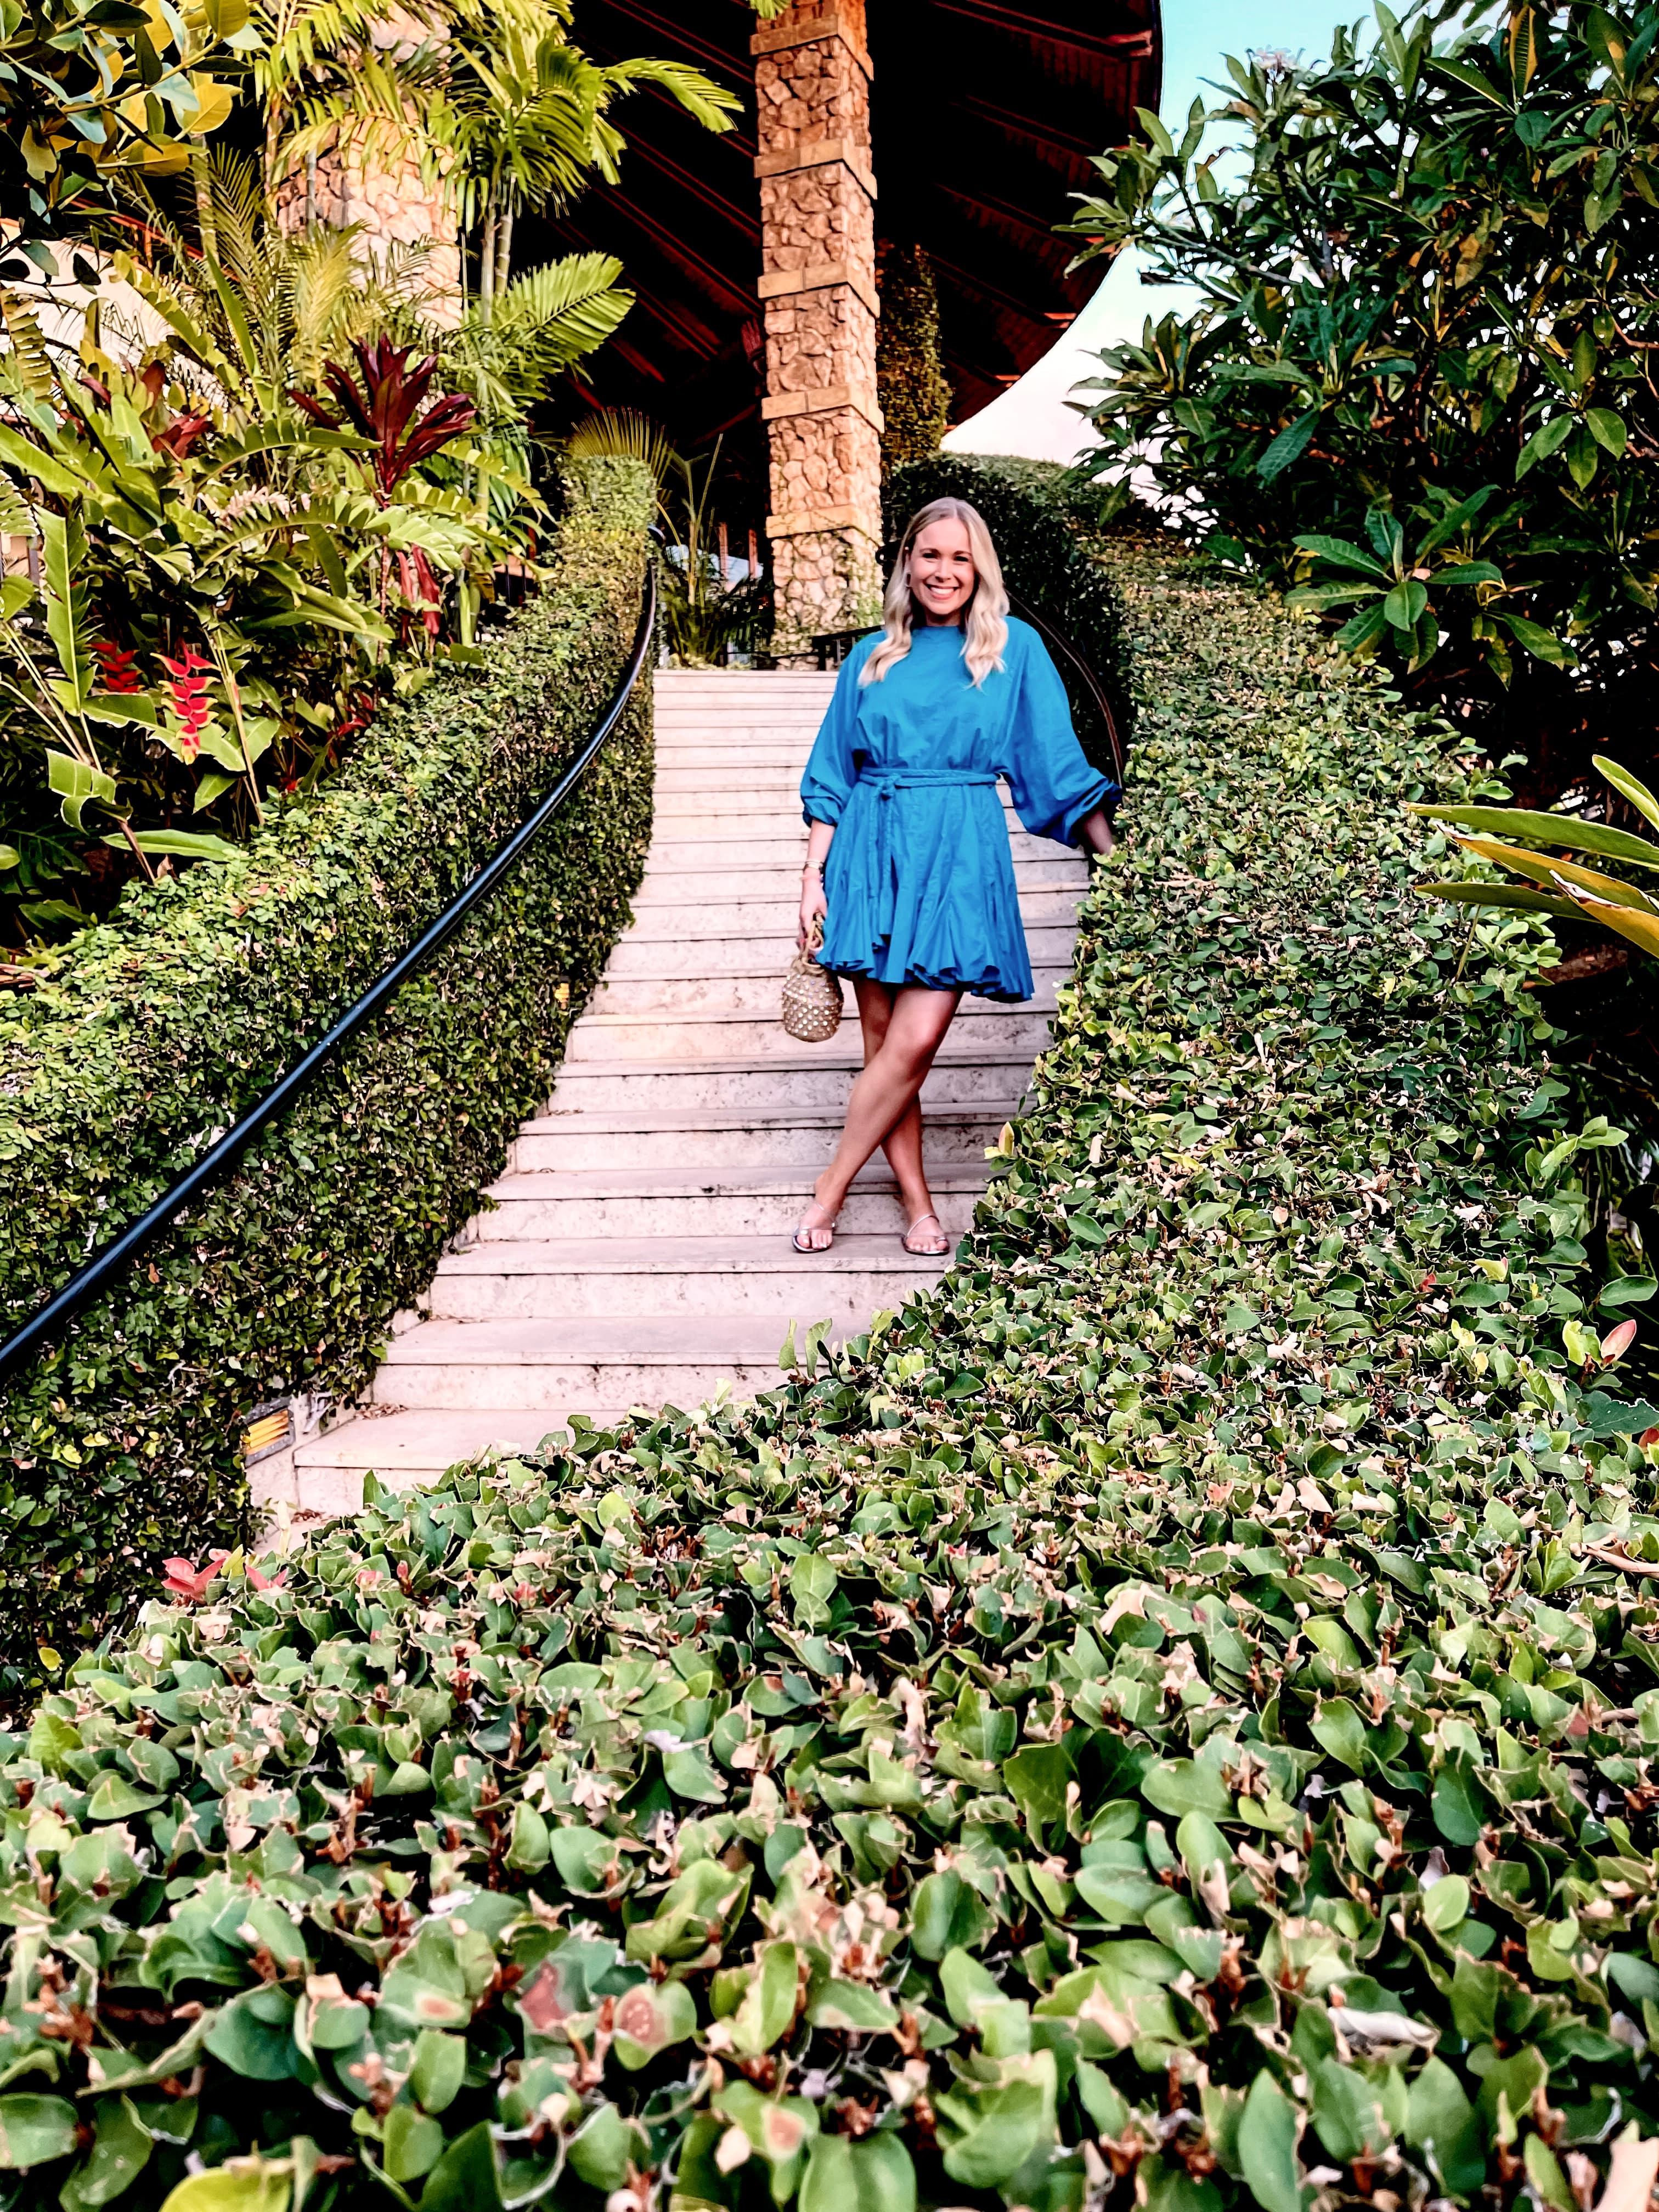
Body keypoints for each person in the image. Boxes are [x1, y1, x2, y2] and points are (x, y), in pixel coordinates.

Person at [793, 495, 1119, 1256]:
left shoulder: (1015, 650)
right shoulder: (872, 655)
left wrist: (1118, 856)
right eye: (931, 555)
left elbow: (1056, 765)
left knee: (917, 1039)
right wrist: (812, 878)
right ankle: (918, 1205)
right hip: (871, 849)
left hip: (960, 850)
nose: (944, 571)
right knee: (882, 1048)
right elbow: (832, 775)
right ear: (907, 562)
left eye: (960, 558)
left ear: (981, 570)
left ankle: (830, 1187)